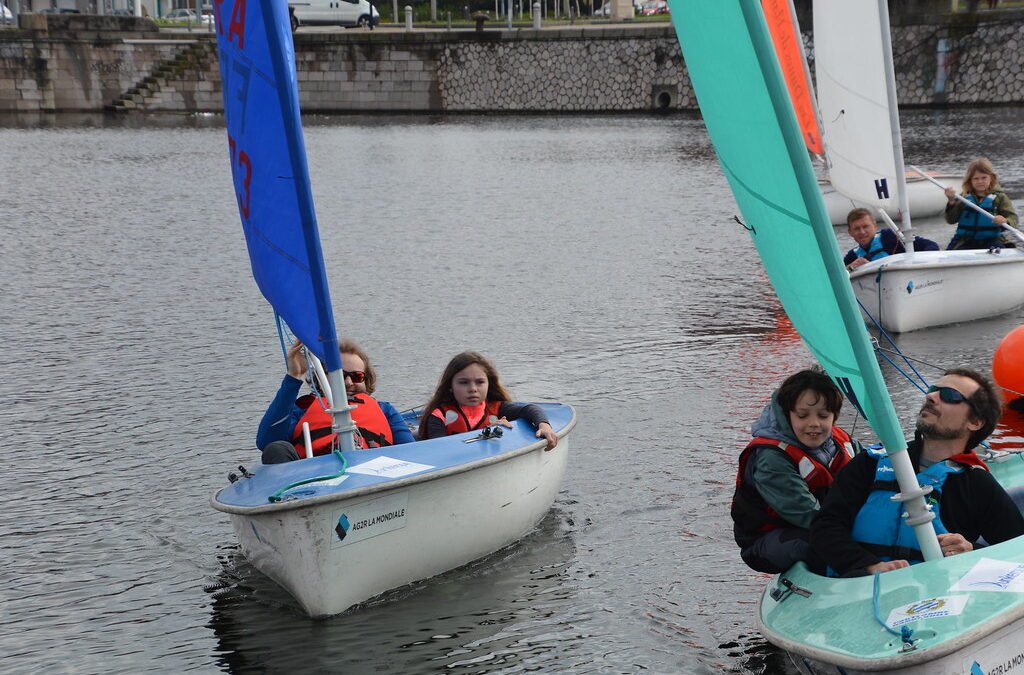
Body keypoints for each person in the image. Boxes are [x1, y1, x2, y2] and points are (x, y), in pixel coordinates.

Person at [811, 368, 1024, 577]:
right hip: (856, 586)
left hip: (933, 600)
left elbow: (1016, 553)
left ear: (975, 422)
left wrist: (970, 552)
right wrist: (869, 566)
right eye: (933, 389)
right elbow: (826, 526)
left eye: (949, 395)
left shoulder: (977, 485)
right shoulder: (870, 463)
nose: (931, 396)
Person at [731, 368, 861, 574]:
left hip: (829, 522)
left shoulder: (840, 440)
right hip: (767, 541)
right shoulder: (771, 458)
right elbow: (809, 515)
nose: (814, 424)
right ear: (787, 414)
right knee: (826, 545)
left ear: (834, 417)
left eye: (823, 415)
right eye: (802, 416)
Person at [258, 339, 414, 464]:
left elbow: (411, 451)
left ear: (367, 380)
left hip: (376, 473)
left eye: (357, 376)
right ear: (320, 379)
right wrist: (293, 376)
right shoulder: (302, 410)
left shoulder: (385, 410)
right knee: (276, 449)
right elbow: (266, 441)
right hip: (316, 482)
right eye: (339, 376)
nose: (347, 383)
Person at [418, 351, 558, 450]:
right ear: (450, 386)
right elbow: (439, 448)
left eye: (480, 382)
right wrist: (488, 432)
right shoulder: (439, 416)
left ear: (488, 384)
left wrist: (544, 426)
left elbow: (530, 409)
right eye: (463, 382)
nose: (473, 389)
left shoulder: (497, 408)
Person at [943, 157, 1019, 250]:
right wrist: (951, 201)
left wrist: (1005, 220)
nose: (980, 182)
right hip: (966, 241)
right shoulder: (964, 197)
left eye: (984, 178)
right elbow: (951, 220)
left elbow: (1013, 218)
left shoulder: (1000, 197)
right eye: (976, 179)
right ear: (970, 180)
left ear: (991, 177)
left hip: (992, 240)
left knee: (1000, 250)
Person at [842, 208, 939, 272]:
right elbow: (836, 276)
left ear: (875, 226)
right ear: (850, 232)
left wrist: (912, 261)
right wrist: (850, 267)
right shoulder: (852, 256)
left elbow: (931, 245)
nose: (862, 232)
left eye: (865, 226)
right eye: (857, 229)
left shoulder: (890, 236)